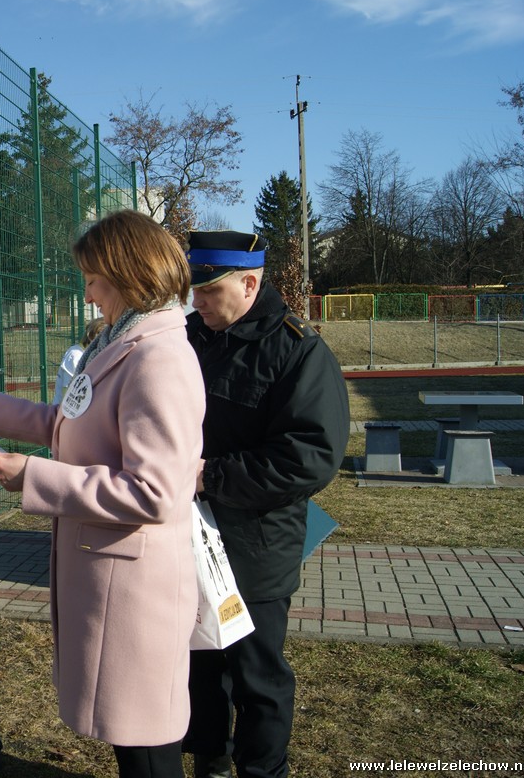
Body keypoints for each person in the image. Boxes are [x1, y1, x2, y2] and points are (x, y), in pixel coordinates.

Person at [0, 210, 204, 778]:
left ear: (128, 274)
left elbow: (155, 492)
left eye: (92, 280)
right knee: (132, 741)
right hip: (112, 579)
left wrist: (34, 477)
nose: (87, 296)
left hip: (135, 589)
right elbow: (63, 423)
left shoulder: (158, 359)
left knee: (148, 748)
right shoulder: (118, 343)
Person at [180, 230, 349, 778]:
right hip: (188, 536)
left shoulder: (298, 350)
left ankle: (261, 770)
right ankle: (210, 760)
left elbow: (309, 457)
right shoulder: (188, 338)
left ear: (250, 284)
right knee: (200, 668)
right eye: (194, 290)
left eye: (210, 290)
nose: (198, 301)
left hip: (255, 546)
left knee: (258, 677)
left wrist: (209, 476)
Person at [52, 317, 106, 405]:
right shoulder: (76, 355)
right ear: (92, 336)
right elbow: (67, 393)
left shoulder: (93, 355)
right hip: (66, 410)